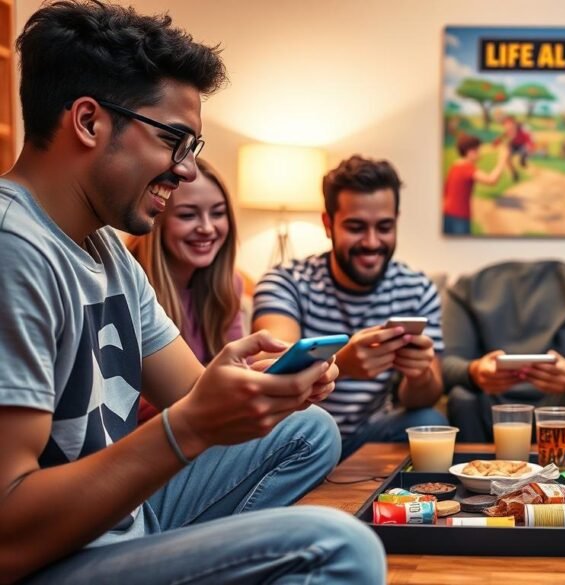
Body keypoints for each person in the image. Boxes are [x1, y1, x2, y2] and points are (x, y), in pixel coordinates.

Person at [0, 3, 384, 583]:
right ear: (88, 121)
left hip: (118, 522)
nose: (184, 171)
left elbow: (194, 390)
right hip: (46, 558)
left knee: (307, 430)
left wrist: (274, 385)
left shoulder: (105, 251)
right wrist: (191, 427)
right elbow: (7, 536)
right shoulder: (14, 247)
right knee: (338, 548)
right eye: (175, 141)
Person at [253, 155, 447, 460]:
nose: (371, 242)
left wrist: (419, 374)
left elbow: (425, 396)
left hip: (368, 439)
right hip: (298, 439)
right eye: (356, 227)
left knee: (429, 422)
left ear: (397, 219)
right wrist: (341, 364)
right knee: (306, 429)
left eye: (384, 227)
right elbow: (269, 371)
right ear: (328, 224)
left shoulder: (417, 288)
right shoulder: (285, 282)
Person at [443, 260, 565, 444]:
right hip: (488, 402)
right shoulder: (465, 290)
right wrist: (474, 371)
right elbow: (446, 365)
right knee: (461, 397)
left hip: (561, 405)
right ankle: (472, 470)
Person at [127, 160, 245, 422]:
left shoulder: (228, 285)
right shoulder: (128, 285)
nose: (207, 227)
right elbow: (129, 402)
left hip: (211, 426)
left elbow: (234, 366)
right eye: (188, 215)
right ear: (158, 222)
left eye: (217, 213)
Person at [442, 133, 506, 235]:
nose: (480, 153)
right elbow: (491, 180)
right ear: (470, 152)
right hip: (459, 218)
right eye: (478, 150)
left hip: (446, 214)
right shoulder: (467, 168)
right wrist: (502, 161)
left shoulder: (455, 166)